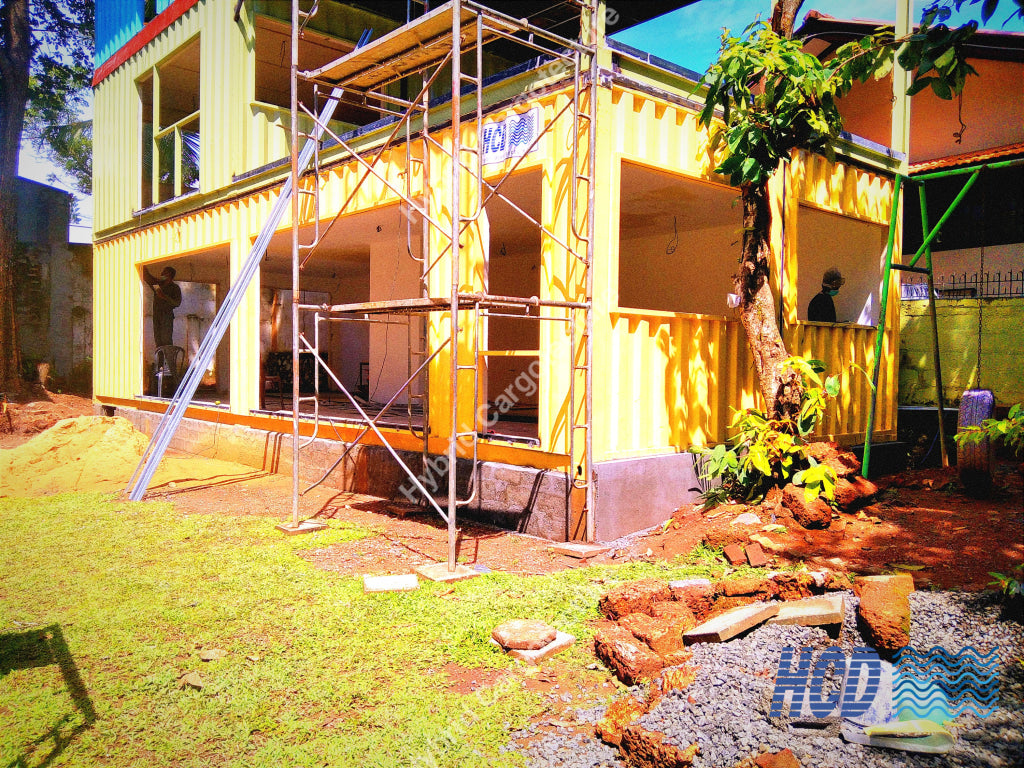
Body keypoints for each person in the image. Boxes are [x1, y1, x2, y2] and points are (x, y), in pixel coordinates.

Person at [143, 265, 182, 348]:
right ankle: (160, 361)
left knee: (166, 340)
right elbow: (148, 279)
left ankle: (169, 361)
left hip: (166, 316)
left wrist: (164, 296)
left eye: (164, 272)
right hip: (157, 315)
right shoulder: (158, 285)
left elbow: (177, 303)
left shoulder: (175, 288)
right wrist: (143, 267)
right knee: (158, 341)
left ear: (170, 275)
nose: (162, 274)